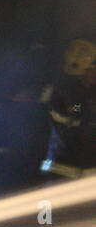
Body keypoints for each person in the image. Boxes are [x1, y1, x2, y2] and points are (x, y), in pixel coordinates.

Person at [40, 39, 96, 179]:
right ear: (83, 70)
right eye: (92, 68)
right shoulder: (68, 94)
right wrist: (79, 109)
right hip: (65, 168)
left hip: (83, 168)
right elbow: (74, 115)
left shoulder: (84, 92)